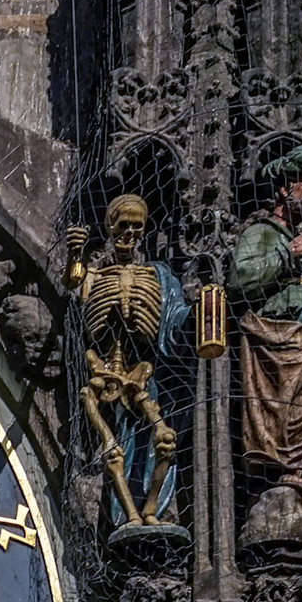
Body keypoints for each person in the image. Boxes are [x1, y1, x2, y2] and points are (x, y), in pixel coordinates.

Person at [64, 194, 192, 529]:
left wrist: (199, 316)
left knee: (163, 439)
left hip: (142, 372)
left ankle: (150, 509)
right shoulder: (94, 276)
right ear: (110, 227)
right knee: (114, 446)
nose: (130, 234)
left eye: (137, 227)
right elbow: (74, 288)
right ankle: (128, 516)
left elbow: (175, 318)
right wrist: (75, 255)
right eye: (123, 225)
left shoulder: (159, 276)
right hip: (103, 369)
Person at [228, 144, 302, 524]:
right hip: (277, 343)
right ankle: (283, 472)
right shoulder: (263, 232)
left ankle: (297, 471)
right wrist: (289, 253)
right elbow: (239, 281)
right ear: (285, 189)